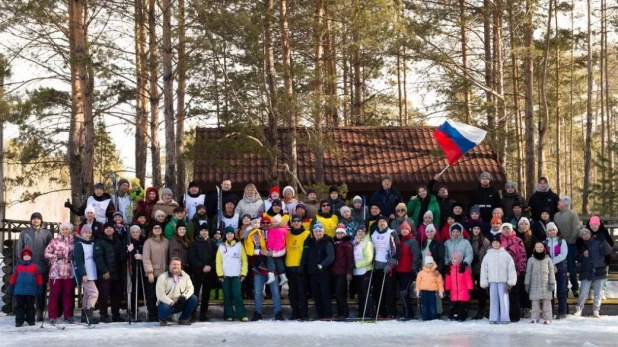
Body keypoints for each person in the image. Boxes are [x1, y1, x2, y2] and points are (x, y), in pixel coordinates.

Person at [16, 212, 52, 321]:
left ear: (41, 220)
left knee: (41, 290)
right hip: (28, 266)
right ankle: (29, 312)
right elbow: (20, 249)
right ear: (31, 220)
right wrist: (21, 261)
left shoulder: (47, 233)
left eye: (38, 218)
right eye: (34, 218)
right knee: (29, 290)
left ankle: (40, 311)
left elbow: (50, 248)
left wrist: (48, 263)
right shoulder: (24, 233)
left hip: (42, 266)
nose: (35, 220)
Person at [244, 221, 283, 321]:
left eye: (268, 223)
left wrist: (272, 252)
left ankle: (278, 312)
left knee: (275, 292)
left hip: (272, 269)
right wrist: (260, 251)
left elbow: (281, 246)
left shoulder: (275, 233)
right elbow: (249, 249)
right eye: (263, 223)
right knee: (258, 292)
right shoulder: (255, 233)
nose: (266, 224)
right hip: (258, 269)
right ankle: (257, 312)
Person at [573, 228, 613, 318]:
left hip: (599, 270)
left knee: (598, 292)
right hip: (586, 271)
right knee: (583, 291)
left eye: (587, 233)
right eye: (583, 234)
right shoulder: (581, 245)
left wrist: (603, 241)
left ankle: (596, 310)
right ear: (581, 237)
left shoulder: (598, 242)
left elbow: (607, 251)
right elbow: (577, 258)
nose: (586, 235)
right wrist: (582, 252)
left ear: (590, 234)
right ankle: (579, 309)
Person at [480, 234, 517, 325]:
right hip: (492, 281)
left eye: (497, 242)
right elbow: (484, 269)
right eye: (494, 242)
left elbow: (511, 268)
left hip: (503, 281)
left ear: (500, 243)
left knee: (504, 299)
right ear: (491, 244)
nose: (495, 244)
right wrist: (484, 281)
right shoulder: (488, 255)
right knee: (493, 300)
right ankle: (493, 317)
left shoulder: (506, 255)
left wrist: (511, 281)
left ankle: (505, 317)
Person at [94, 222, 127, 323]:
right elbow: (98, 257)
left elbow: (121, 256)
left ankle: (116, 314)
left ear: (113, 229)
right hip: (105, 273)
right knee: (104, 295)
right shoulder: (99, 242)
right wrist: (104, 270)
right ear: (103, 230)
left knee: (116, 295)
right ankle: (103, 314)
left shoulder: (117, 241)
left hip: (117, 273)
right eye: (107, 228)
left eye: (110, 228)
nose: (109, 229)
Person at [44, 222, 76, 324]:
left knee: (68, 294)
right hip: (56, 271)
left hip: (68, 270)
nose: (65, 231)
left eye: (67, 229)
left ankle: (68, 314)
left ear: (70, 230)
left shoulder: (73, 241)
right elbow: (46, 253)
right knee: (54, 294)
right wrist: (56, 257)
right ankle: (52, 315)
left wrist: (73, 257)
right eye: (63, 229)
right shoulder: (55, 240)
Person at [216, 226, 249, 321]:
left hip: (236, 276)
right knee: (227, 296)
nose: (229, 235)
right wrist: (220, 274)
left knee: (237, 295)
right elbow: (218, 262)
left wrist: (243, 273)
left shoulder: (239, 246)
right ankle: (229, 314)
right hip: (225, 276)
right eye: (227, 234)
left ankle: (242, 314)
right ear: (225, 235)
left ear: (234, 235)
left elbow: (244, 261)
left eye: (231, 233)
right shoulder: (221, 247)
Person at [304, 221, 335, 319]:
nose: (318, 233)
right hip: (312, 273)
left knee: (325, 294)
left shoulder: (327, 242)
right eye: (316, 231)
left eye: (320, 231)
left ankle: (327, 314)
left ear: (323, 232)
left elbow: (331, 256)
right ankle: (320, 314)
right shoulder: (311, 242)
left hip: (323, 273)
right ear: (313, 232)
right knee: (316, 295)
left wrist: (322, 265)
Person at [371, 215, 400, 318]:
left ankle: (391, 312)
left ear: (387, 223)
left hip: (388, 266)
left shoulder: (391, 233)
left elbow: (396, 249)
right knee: (378, 290)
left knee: (390, 290)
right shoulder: (374, 234)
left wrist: (391, 263)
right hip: (377, 265)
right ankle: (381, 311)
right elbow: (372, 249)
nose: (382, 223)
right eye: (380, 221)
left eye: (384, 221)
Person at [155, 257, 198, 326]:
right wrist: (172, 303)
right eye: (174, 264)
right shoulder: (162, 277)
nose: (176, 266)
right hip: (167, 304)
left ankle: (184, 319)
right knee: (164, 308)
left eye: (178, 265)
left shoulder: (185, 276)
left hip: (179, 303)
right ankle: (162, 319)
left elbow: (190, 288)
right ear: (169, 266)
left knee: (193, 298)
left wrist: (184, 297)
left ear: (181, 266)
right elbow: (160, 295)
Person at [188, 224, 217, 322]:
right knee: (194, 294)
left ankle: (203, 314)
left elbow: (215, 257)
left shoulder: (212, 244)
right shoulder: (194, 244)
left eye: (205, 230)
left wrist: (210, 266)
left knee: (206, 294)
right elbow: (192, 258)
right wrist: (202, 266)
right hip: (197, 273)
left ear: (208, 232)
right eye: (202, 230)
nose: (203, 232)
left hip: (209, 273)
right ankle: (192, 313)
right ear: (199, 232)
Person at [285, 215, 312, 321]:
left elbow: (306, 252)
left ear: (301, 222)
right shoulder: (287, 234)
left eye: (298, 221)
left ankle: (304, 313)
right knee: (292, 292)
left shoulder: (306, 234)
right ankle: (294, 312)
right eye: (294, 221)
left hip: (300, 267)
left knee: (302, 292)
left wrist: (302, 265)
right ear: (291, 223)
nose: (296, 223)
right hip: (289, 266)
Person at [582, 216, 615, 300]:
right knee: (591, 273)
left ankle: (602, 290)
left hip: (603, 257)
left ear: (599, 225)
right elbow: (581, 243)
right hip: (591, 258)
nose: (593, 226)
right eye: (591, 225)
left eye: (595, 224)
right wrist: (584, 249)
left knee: (603, 274)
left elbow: (610, 244)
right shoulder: (587, 232)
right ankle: (591, 290)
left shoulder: (604, 231)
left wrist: (603, 242)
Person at [553, 196, 580, 298]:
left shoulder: (572, 214)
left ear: (565, 203)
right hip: (559, 244)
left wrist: (571, 240)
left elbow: (576, 227)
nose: (558, 202)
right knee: (561, 267)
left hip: (570, 243)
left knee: (571, 267)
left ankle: (575, 288)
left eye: (560, 201)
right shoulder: (556, 215)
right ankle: (564, 287)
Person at [9, 248, 43, 327]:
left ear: (31, 257)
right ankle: (19, 321)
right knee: (19, 306)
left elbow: (39, 278)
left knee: (30, 306)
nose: (26, 257)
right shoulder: (17, 267)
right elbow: (13, 278)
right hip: (19, 291)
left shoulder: (35, 267)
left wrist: (39, 287)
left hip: (30, 291)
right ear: (22, 257)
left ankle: (31, 320)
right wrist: (11, 287)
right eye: (25, 256)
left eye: (28, 255)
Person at [500, 223, 527, 322]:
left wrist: (522, 269)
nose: (506, 230)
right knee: (502, 294)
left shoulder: (518, 240)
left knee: (514, 294)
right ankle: (503, 314)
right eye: (504, 229)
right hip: (501, 272)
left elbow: (522, 256)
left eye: (508, 229)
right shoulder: (498, 241)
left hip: (515, 271)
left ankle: (514, 315)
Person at [143, 222, 169, 322]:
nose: (157, 229)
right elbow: (146, 258)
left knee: (163, 295)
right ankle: (152, 314)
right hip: (153, 274)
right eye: (155, 227)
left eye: (159, 227)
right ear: (152, 230)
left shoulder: (166, 241)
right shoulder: (148, 242)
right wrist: (149, 272)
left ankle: (163, 313)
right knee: (152, 295)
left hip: (165, 273)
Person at [73, 225, 99, 324]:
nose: (87, 234)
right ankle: (89, 314)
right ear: (81, 233)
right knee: (94, 293)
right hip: (85, 273)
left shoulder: (91, 243)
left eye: (89, 232)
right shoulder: (79, 244)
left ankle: (84, 316)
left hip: (92, 272)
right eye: (85, 232)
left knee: (87, 295)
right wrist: (83, 274)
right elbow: (79, 261)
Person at [524, 242, 556, 324]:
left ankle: (547, 318)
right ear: (534, 248)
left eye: (541, 247)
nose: (539, 248)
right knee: (535, 302)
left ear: (544, 248)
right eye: (537, 247)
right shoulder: (531, 260)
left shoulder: (548, 259)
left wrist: (552, 282)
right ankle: (534, 317)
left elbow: (552, 271)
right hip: (535, 283)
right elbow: (528, 272)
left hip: (546, 283)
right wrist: (527, 283)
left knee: (547, 302)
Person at [395, 221, 421, 320]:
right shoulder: (399, 241)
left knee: (403, 291)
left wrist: (414, 269)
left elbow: (416, 255)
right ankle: (405, 311)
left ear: (409, 230)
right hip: (399, 270)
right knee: (401, 292)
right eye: (402, 229)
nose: (404, 231)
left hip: (408, 270)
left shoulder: (412, 241)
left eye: (406, 229)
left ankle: (409, 313)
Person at [543, 222, 568, 319]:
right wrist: (549, 262)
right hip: (548, 268)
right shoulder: (545, 242)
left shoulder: (562, 241)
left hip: (560, 267)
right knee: (550, 290)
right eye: (550, 230)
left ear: (556, 230)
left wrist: (552, 261)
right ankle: (550, 310)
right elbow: (543, 253)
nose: (552, 232)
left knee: (561, 290)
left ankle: (562, 311)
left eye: (553, 230)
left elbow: (563, 255)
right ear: (547, 232)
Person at [332, 225, 354, 320]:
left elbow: (350, 259)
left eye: (341, 233)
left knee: (340, 293)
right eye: (338, 233)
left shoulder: (347, 244)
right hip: (334, 272)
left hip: (343, 271)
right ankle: (340, 312)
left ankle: (344, 313)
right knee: (337, 293)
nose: (339, 234)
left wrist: (349, 272)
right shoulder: (335, 243)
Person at [445, 251, 474, 321]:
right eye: (452, 258)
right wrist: (447, 289)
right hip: (453, 291)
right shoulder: (450, 269)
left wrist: (470, 289)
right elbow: (448, 281)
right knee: (454, 306)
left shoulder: (464, 269)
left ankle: (462, 316)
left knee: (462, 306)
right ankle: (454, 316)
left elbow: (468, 280)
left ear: (459, 260)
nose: (453, 260)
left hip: (463, 292)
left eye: (455, 259)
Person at [352, 226, 374, 319]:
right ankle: (361, 312)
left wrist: (356, 265)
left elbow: (368, 259)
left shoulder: (367, 243)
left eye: (362, 231)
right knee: (360, 293)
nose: (360, 233)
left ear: (365, 233)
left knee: (366, 293)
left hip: (365, 271)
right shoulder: (355, 242)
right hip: (357, 272)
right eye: (358, 231)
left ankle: (367, 313)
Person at [516, 217, 536, 318]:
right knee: (519, 287)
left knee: (527, 287)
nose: (524, 226)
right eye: (522, 224)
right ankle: (519, 307)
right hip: (518, 266)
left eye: (525, 224)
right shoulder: (515, 235)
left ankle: (527, 307)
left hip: (529, 265)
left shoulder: (532, 237)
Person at [415, 255, 444, 321]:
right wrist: (417, 290)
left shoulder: (436, 273)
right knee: (425, 305)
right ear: (425, 264)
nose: (430, 264)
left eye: (431, 263)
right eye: (428, 263)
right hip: (424, 291)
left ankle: (433, 317)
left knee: (432, 305)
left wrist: (441, 291)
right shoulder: (421, 273)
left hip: (432, 291)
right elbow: (418, 282)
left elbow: (440, 282)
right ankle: (425, 317)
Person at [469, 225, 490, 319]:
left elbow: (488, 254)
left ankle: (481, 310)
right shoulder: (468, 240)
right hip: (471, 270)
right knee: (472, 290)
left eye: (478, 228)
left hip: (481, 269)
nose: (476, 230)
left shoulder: (485, 241)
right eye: (474, 228)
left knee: (482, 291)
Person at [126, 225, 146, 319]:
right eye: (133, 232)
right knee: (132, 290)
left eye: (136, 232)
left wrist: (143, 257)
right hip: (131, 269)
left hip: (142, 268)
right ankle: (132, 310)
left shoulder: (144, 242)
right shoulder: (128, 242)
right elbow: (122, 256)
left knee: (142, 290)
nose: (135, 234)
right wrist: (127, 250)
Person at [265, 214, 289, 285]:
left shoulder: (279, 230)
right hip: (273, 248)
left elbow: (279, 240)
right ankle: (283, 277)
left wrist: (275, 250)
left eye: (276, 221)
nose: (274, 223)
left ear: (280, 222)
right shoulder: (274, 229)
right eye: (274, 221)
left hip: (276, 249)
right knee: (278, 261)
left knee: (270, 258)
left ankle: (271, 274)